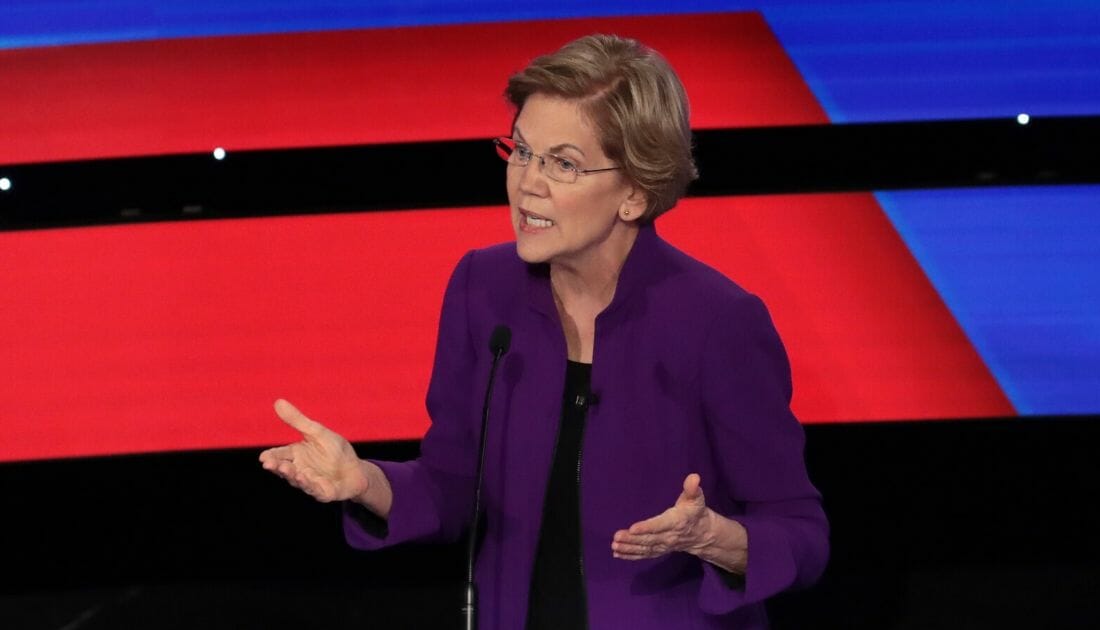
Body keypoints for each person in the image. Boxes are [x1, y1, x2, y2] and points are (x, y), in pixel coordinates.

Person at [260, 34, 828, 629]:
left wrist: (714, 538)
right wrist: (364, 482)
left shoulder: (718, 322)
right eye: (522, 151)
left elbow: (801, 533)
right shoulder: (482, 287)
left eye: (563, 163)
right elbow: (454, 486)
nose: (528, 183)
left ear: (634, 192)